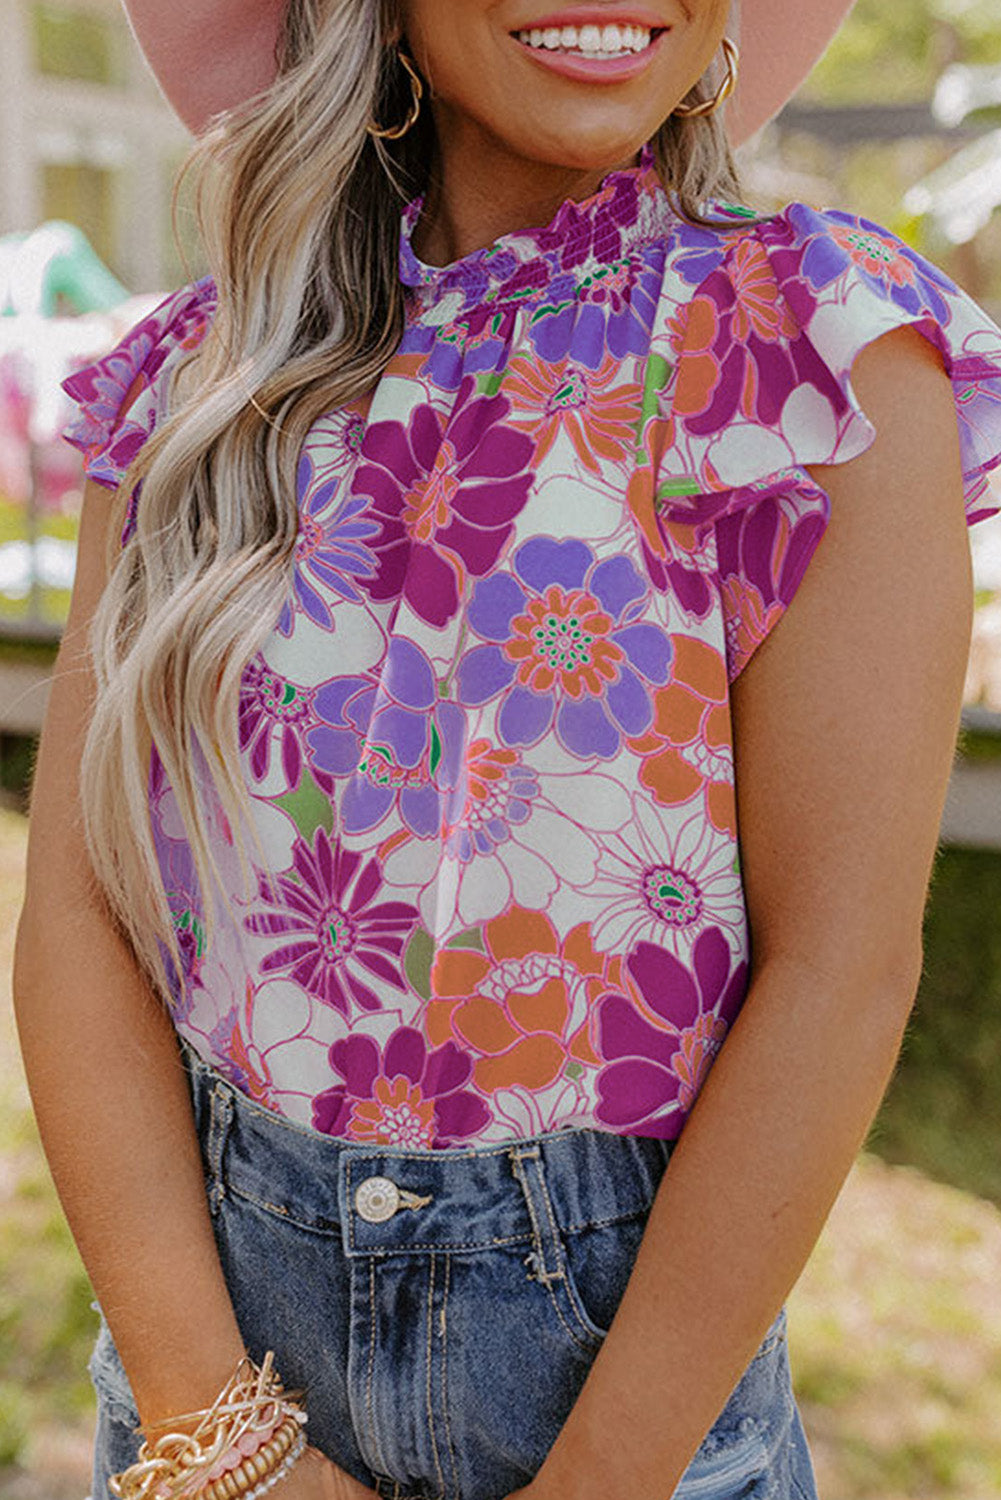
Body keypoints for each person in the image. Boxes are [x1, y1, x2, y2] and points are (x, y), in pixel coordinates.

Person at [14, 2, 1001, 1498]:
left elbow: (841, 972)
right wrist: (214, 1429)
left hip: (635, 1413)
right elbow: (80, 915)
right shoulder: (204, 385)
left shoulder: (810, 356)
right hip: (212, 1377)